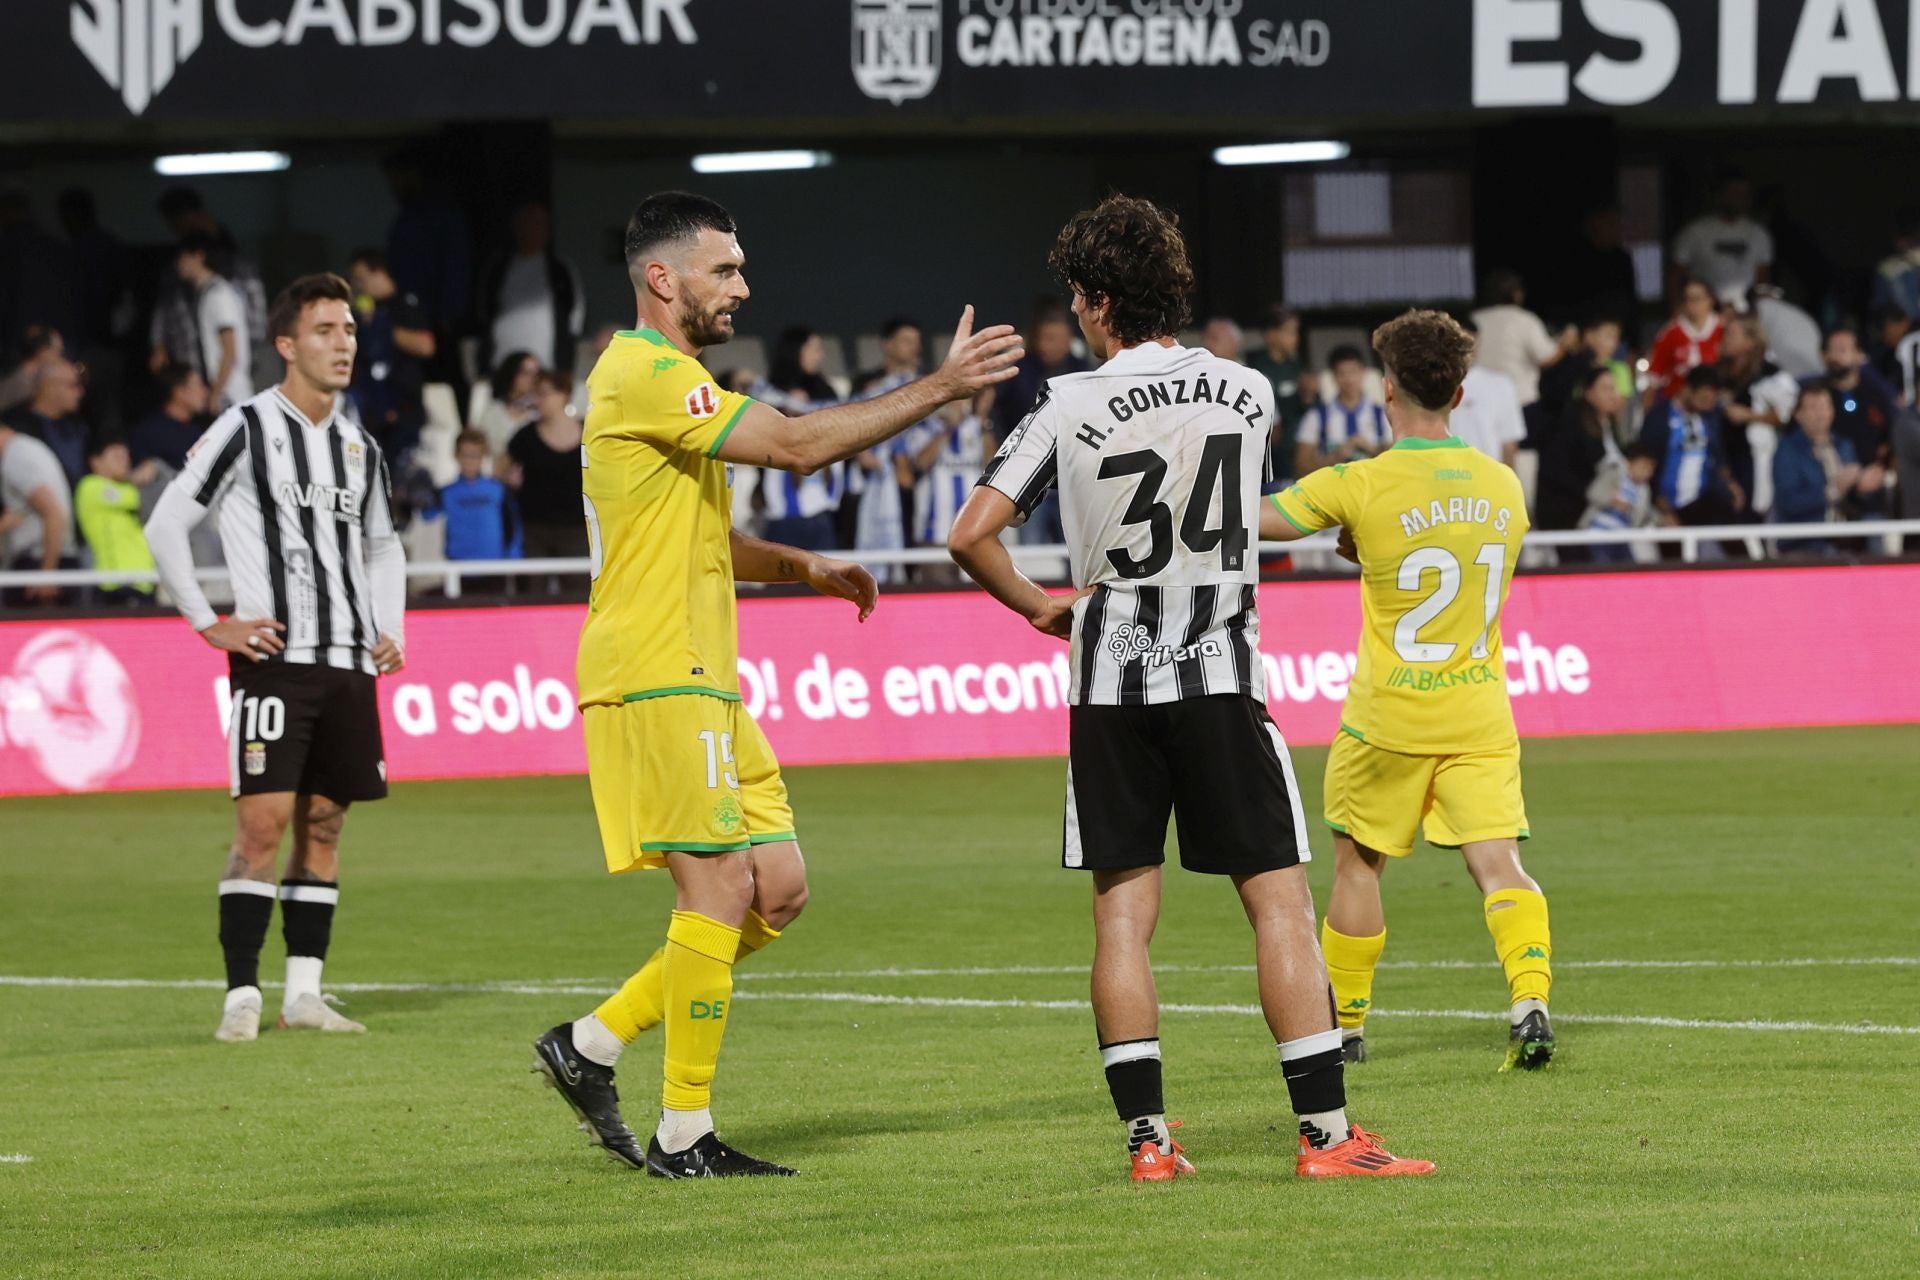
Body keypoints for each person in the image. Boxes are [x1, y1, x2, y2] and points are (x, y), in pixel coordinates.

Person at [528, 190, 1022, 1180]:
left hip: (708, 673)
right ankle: (684, 1132)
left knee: (779, 888)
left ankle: (589, 1044)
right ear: (661, 278)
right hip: (656, 669)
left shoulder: (671, 387)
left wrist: (802, 567)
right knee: (716, 888)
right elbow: (799, 442)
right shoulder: (644, 372)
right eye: (725, 269)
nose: (742, 287)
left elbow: (704, 534)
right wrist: (938, 387)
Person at [948, 194, 1432, 1184]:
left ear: (1091, 302)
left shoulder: (1067, 404)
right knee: (1280, 906)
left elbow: (968, 533)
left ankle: (1150, 1144)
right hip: (1218, 677)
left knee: (1123, 913)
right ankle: (1328, 1138)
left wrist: (1044, 607)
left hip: (1108, 686)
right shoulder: (1248, 391)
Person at [1258, 309, 1554, 1073]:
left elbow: (1262, 523)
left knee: (1359, 866)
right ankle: (1529, 999)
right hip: (1480, 713)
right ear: (1459, 393)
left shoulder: (1360, 482)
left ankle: (1345, 1027)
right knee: (1499, 865)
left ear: (1387, 389)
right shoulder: (1503, 486)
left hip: (1387, 716)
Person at [143, 273, 407, 1044]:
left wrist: (390, 624)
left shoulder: (359, 445)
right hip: (274, 660)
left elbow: (384, 544)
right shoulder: (245, 427)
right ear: (287, 344)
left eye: (350, 329)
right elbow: (166, 524)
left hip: (348, 662)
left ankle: (304, 995)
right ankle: (240, 995)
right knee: (261, 827)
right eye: (325, 330)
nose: (343, 343)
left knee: (324, 823)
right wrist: (207, 622)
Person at [992, 302, 1089, 545]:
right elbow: (997, 415)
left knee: (1076, 547)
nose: (1045, 345)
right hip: (1028, 474)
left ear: (1067, 338)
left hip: (1072, 477)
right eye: (1042, 338)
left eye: (1052, 338)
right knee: (1032, 551)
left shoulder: (1085, 371)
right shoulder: (1020, 370)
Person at [1639, 365, 1748, 556]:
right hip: (1668, 506)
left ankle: (1751, 571)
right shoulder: (1659, 419)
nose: (1709, 404)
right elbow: (1647, 468)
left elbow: (1717, 453)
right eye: (1704, 398)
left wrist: (1730, 483)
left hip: (1703, 501)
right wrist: (1664, 512)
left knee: (1730, 521)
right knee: (1675, 561)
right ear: (1687, 390)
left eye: (1713, 400)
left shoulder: (1709, 417)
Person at [347, 248, 436, 459]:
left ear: (379, 272)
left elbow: (426, 346)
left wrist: (382, 327)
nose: (358, 286)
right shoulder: (360, 312)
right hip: (370, 410)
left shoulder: (405, 303)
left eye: (361, 279)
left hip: (404, 406)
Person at [478, 200, 585, 374]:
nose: (532, 229)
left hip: (547, 366)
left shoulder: (560, 270)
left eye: (539, 223)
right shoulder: (498, 269)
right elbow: (484, 311)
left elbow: (575, 318)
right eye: (526, 222)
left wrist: (565, 359)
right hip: (502, 366)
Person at [1717, 312, 1800, 517]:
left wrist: (1749, 416)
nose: (1725, 339)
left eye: (1732, 334)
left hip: (1752, 456)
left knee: (1750, 510)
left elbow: (1786, 415)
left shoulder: (1769, 372)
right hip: (1721, 453)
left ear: (1750, 340)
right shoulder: (1721, 372)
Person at [506, 370, 588, 574]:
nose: (539, 400)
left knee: (576, 594)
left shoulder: (589, 432)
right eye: (536, 393)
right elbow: (501, 470)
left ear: (564, 394)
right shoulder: (525, 436)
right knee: (534, 593)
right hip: (534, 528)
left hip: (576, 528)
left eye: (545, 393)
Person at [1537, 365, 1629, 538]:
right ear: (1588, 392)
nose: (1612, 395)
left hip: (1603, 512)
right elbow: (1558, 470)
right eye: (1605, 388)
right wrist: (1602, 495)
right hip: (1569, 515)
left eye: (1613, 388)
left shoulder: (1609, 424)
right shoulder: (1571, 422)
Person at [1772, 382, 1862, 555]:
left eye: (1825, 406)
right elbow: (1789, 502)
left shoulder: (1844, 445)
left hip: (1846, 539)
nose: (1820, 413)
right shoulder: (1788, 450)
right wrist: (1832, 491)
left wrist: (1862, 485)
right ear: (1798, 414)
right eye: (1813, 407)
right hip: (1805, 543)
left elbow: (1853, 496)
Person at [173, 230, 253, 412]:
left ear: (198, 256)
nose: (178, 264)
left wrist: (217, 392)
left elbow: (230, 350)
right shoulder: (205, 294)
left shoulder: (219, 294)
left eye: (182, 257)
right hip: (221, 391)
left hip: (230, 394)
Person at [1469, 269, 1572, 408]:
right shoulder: (1523, 319)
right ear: (1517, 294)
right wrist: (1564, 344)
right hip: (1519, 402)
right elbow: (1548, 357)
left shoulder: (1474, 319)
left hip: (1479, 403)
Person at [0, 420, 76, 606]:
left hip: (40, 564)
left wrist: (46, 572)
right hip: (50, 560)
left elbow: (54, 513)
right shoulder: (29, 448)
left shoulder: (16, 457)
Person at [1670, 170, 1773, 304]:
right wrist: (1676, 307)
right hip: (1705, 311)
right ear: (1719, 195)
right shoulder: (1694, 232)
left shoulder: (1758, 233)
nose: (1740, 198)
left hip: (1744, 312)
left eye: (1745, 194)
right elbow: (1675, 274)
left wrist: (1764, 307)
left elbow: (1763, 277)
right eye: (1735, 193)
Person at [74, 438, 157, 602]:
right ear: (95, 462)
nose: (124, 462)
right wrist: (153, 471)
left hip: (146, 581)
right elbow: (141, 500)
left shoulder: (129, 488)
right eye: (117, 457)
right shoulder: (91, 486)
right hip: (115, 583)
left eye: (126, 457)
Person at [428, 429, 521, 573]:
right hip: (459, 566)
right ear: (456, 456)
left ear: (483, 456)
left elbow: (513, 525)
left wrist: (513, 560)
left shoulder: (498, 490)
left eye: (475, 455)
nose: (470, 461)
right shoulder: (447, 492)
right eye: (465, 455)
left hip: (495, 566)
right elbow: (427, 515)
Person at [1243, 305, 1315, 478]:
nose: (1295, 339)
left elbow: (1307, 409)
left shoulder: (1296, 365)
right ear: (1271, 335)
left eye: (1296, 333)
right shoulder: (1254, 365)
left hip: (1297, 438)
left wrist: (1308, 396)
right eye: (1289, 333)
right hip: (1270, 444)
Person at [1294, 345, 1387, 477]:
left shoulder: (1382, 414)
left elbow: (1397, 462)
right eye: (1342, 374)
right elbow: (1301, 469)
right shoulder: (1316, 416)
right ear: (1333, 376)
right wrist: (1335, 457)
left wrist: (1372, 449)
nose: (1349, 380)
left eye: (1353, 372)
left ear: (1363, 373)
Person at [6, 355, 90, 486]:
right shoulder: (15, 428)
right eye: (73, 385)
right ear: (50, 388)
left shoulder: (80, 428)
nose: (80, 392)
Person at [1646, 276, 1723, 405]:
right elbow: (1654, 377)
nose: (1692, 304)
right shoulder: (1671, 333)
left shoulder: (1724, 329)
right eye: (1688, 299)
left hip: (1716, 404)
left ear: (1710, 300)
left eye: (1697, 299)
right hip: (1677, 404)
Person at [1450, 335, 1526, 466]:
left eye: (1471, 343)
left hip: (1487, 476)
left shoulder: (1501, 383)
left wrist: (1508, 482)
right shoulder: (1435, 382)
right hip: (1444, 476)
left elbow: (1509, 441)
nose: (1467, 349)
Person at [1579, 443, 1657, 563]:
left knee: (1627, 571)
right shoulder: (1614, 474)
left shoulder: (1644, 490)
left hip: (1622, 537)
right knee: (1603, 570)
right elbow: (1593, 492)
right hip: (1598, 535)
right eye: (1644, 467)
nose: (1648, 472)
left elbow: (1642, 515)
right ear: (1630, 463)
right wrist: (1613, 501)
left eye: (1651, 469)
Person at [127, 364, 213, 474]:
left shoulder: (201, 430)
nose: (205, 393)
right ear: (179, 392)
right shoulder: (148, 434)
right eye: (199, 386)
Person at [475, 350, 542, 455]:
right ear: (512, 374)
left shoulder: (542, 411)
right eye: (526, 373)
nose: (533, 379)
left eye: (537, 374)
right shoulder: (494, 410)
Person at [852, 316, 921, 394]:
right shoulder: (864, 382)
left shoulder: (925, 380)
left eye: (917, 342)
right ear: (887, 344)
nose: (915, 348)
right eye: (907, 341)